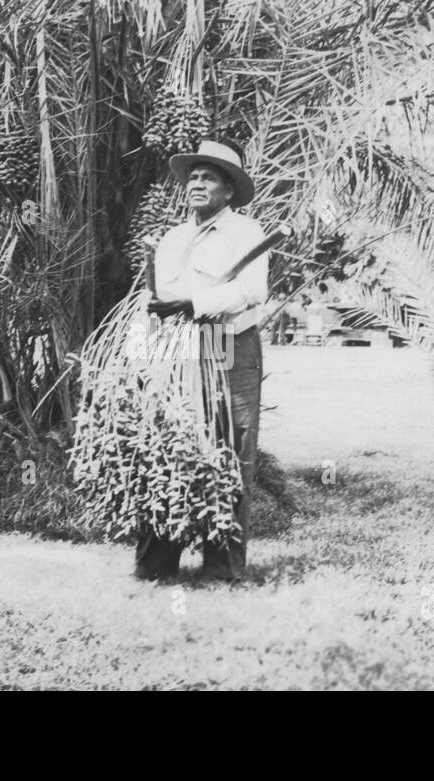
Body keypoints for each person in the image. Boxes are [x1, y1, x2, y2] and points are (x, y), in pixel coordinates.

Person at [136, 139, 268, 582]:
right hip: (176, 349)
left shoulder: (246, 234)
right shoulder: (172, 237)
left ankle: (221, 569)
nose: (197, 183)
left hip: (230, 347)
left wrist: (197, 303)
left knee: (230, 452)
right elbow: (159, 296)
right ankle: (155, 565)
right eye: (193, 176)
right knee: (167, 446)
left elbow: (251, 290)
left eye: (208, 177)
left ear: (228, 191)